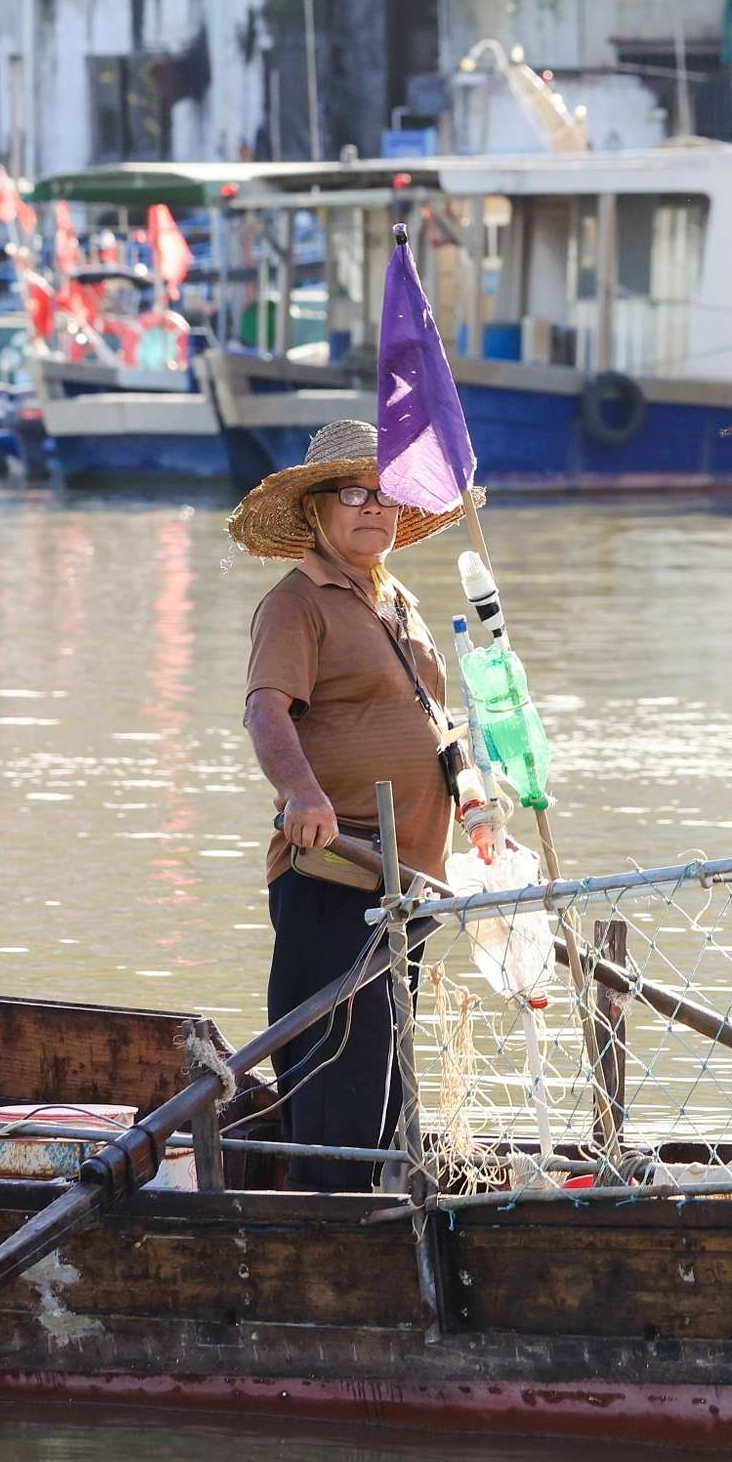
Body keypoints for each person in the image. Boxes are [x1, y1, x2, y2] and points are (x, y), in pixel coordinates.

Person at [228, 418, 466, 1178]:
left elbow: (431, 718)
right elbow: (267, 708)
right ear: (316, 510)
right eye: (353, 493)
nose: (374, 507)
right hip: (342, 869)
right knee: (335, 1088)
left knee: (383, 1082)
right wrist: (301, 793)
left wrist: (477, 800)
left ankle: (372, 1210)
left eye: (387, 494)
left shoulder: (394, 600)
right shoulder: (297, 602)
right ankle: (324, 1228)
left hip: (412, 878)